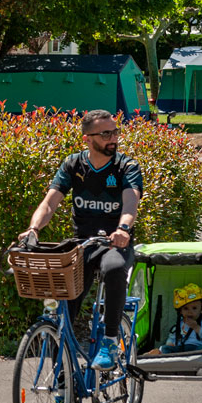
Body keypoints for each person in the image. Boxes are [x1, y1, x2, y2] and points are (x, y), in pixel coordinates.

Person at [19, 109, 142, 369]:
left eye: (115, 132)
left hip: (114, 243)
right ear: (87, 138)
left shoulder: (126, 166)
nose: (113, 138)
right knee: (63, 310)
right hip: (83, 244)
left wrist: (123, 229)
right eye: (106, 134)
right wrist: (33, 229)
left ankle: (110, 340)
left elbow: (131, 201)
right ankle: (63, 382)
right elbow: (49, 203)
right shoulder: (73, 165)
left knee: (114, 268)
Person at [161, 284, 202, 354]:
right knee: (164, 348)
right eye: (186, 308)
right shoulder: (179, 324)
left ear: (201, 309)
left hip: (196, 347)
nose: (190, 312)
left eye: (194, 308)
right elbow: (172, 337)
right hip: (181, 349)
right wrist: (170, 344)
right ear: (180, 311)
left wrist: (196, 327)